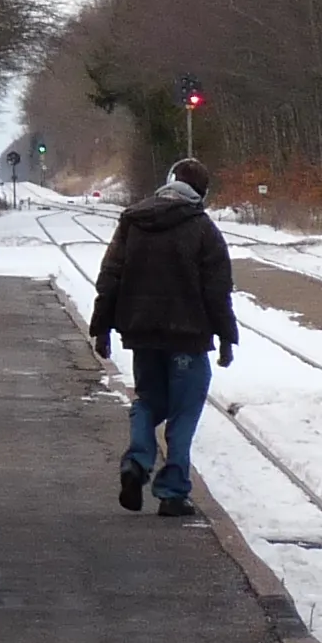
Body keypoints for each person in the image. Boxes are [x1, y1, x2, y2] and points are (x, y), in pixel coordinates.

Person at [86, 154, 237, 519]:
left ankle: (136, 463)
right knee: (184, 412)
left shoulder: (133, 221)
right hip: (188, 337)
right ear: (201, 192)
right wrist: (227, 338)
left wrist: (102, 326)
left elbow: (111, 275)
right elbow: (217, 291)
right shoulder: (203, 230)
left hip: (142, 333)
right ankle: (172, 492)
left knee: (149, 399)